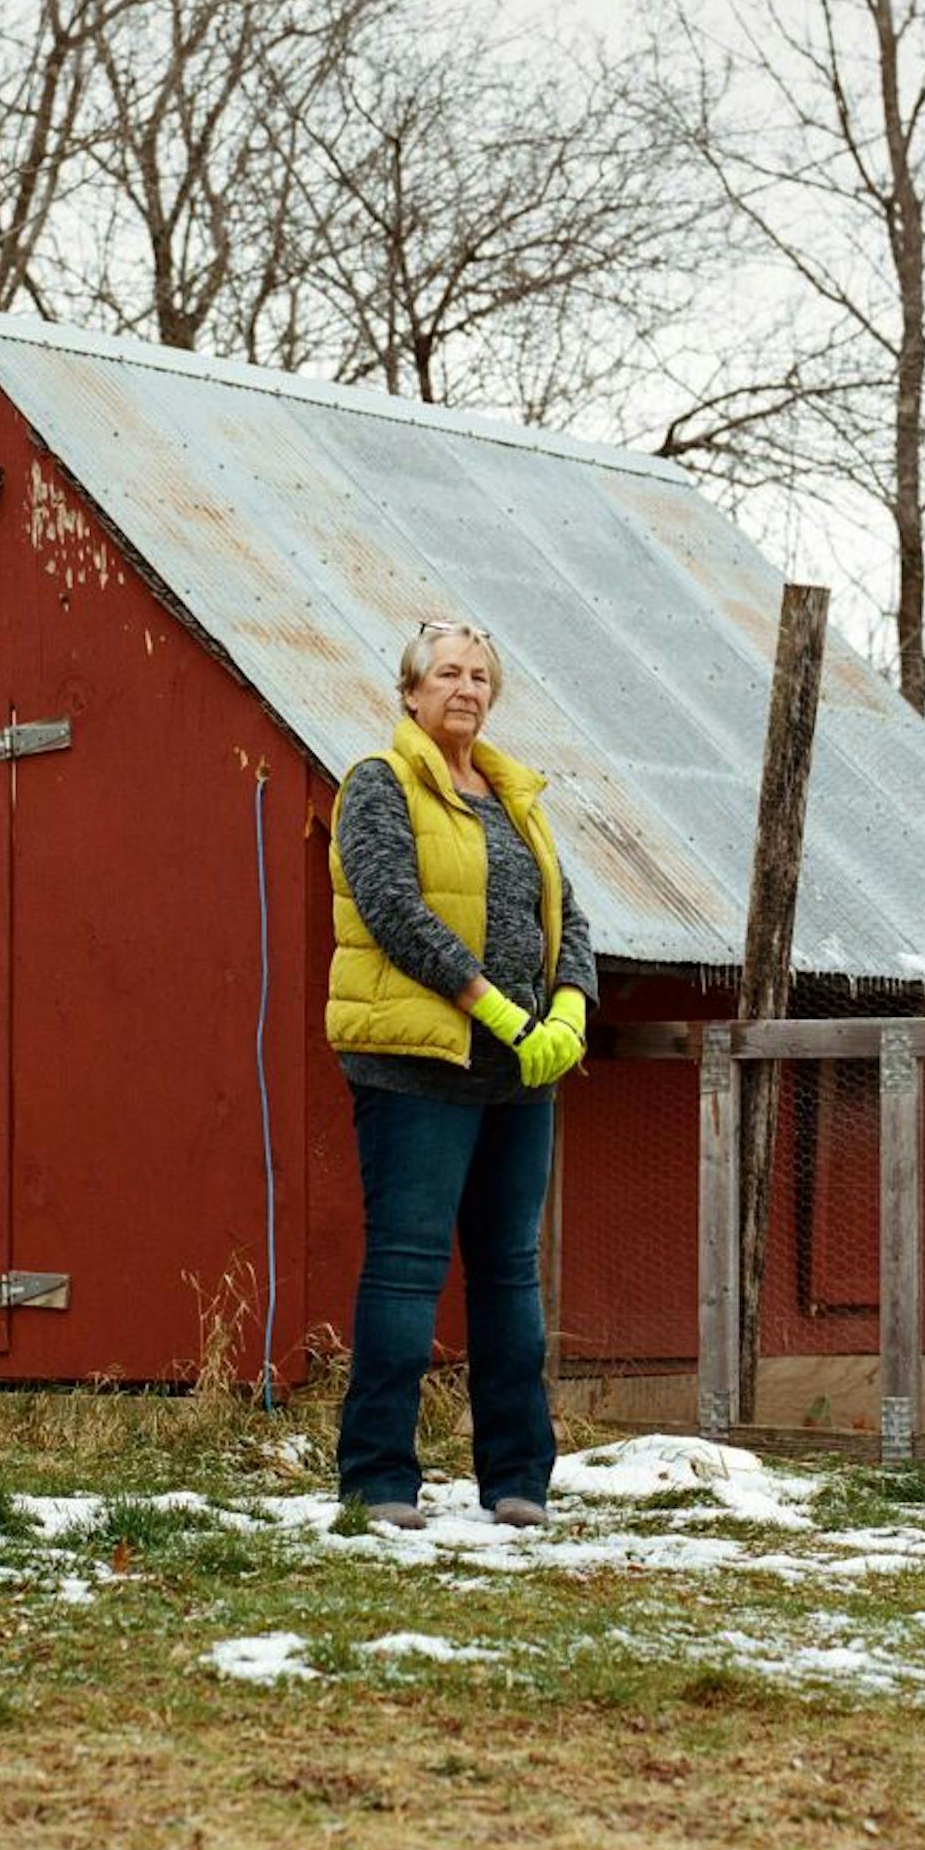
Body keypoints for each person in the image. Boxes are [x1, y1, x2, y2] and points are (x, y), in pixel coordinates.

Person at [325, 621, 599, 1531]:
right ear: (410, 693)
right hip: (417, 1067)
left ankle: (519, 1482)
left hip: (520, 1076)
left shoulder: (517, 797)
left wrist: (568, 1007)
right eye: (447, 674)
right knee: (406, 1273)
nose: (467, 689)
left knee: (510, 1277)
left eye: (481, 676)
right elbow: (392, 907)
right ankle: (378, 1483)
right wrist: (490, 1004)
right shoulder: (380, 784)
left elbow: (567, 912)